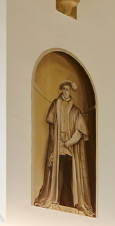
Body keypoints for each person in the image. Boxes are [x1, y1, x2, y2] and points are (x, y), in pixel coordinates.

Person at [34, 80, 93, 216]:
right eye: (64, 89)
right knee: (58, 172)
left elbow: (80, 131)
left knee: (69, 174)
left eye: (68, 89)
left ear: (70, 91)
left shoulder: (76, 110)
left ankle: (69, 202)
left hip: (70, 148)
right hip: (58, 146)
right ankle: (55, 199)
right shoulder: (56, 105)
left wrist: (70, 142)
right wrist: (57, 145)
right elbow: (52, 128)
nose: (66, 91)